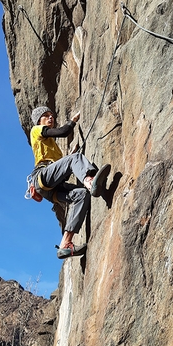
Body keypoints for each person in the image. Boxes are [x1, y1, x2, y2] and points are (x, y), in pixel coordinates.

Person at [29, 105, 110, 259]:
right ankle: (90, 181)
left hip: (51, 189)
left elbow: (60, 166)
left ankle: (65, 244)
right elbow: (64, 132)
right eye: (46, 115)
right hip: (41, 177)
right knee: (74, 160)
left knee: (81, 195)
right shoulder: (36, 130)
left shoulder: (51, 146)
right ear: (39, 120)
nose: (50, 118)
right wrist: (72, 121)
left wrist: (70, 154)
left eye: (51, 115)